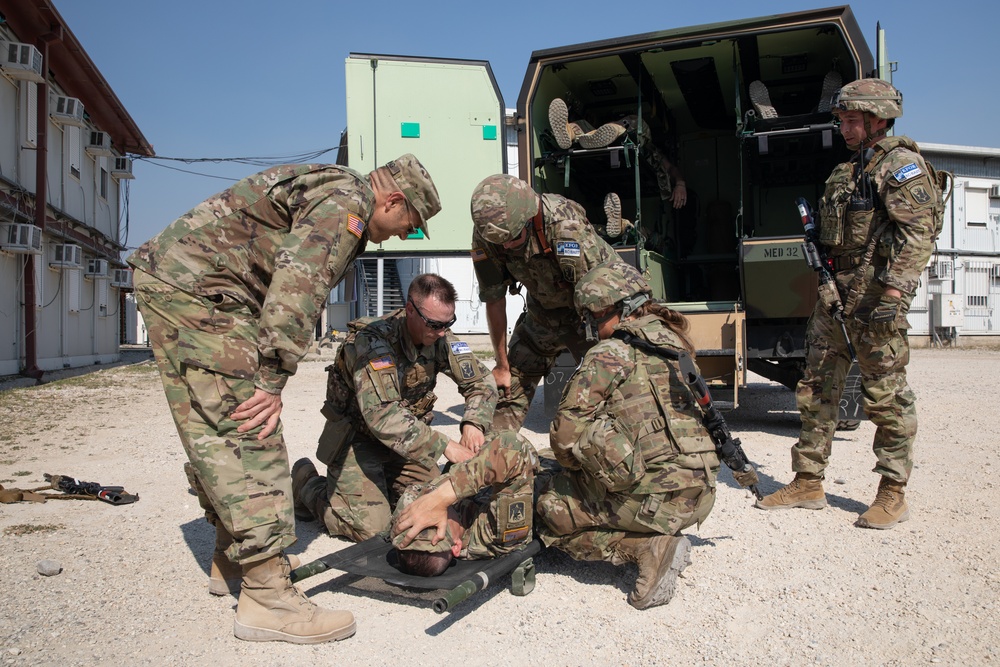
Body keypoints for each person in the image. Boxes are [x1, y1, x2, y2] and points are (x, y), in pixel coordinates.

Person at [129, 154, 441, 644]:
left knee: (217, 430)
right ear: (394, 200)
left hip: (189, 287)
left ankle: (235, 561)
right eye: (411, 225)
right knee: (249, 429)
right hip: (204, 294)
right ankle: (268, 597)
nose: (406, 235)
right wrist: (272, 377)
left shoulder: (336, 190)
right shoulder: (347, 200)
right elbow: (300, 283)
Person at [754, 79, 946, 529]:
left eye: (852, 120)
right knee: (816, 388)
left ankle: (892, 492)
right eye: (841, 119)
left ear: (880, 119)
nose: (843, 127)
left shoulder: (901, 166)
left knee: (885, 397)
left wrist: (895, 294)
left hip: (876, 299)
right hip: (834, 297)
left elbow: (918, 235)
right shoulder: (847, 171)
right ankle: (808, 481)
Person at [534, 263, 720, 610]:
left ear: (612, 310)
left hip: (656, 498)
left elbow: (563, 436)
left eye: (592, 319)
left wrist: (575, 470)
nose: (592, 330)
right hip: (701, 492)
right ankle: (652, 532)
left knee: (548, 507)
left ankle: (645, 549)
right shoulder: (676, 343)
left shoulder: (611, 353)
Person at [292, 273, 497, 543]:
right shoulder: (372, 343)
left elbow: (482, 380)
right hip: (358, 441)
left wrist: (473, 423)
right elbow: (383, 415)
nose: (442, 332)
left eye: (449, 323)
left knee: (438, 505)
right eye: (435, 324)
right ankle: (307, 484)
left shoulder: (440, 336)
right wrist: (446, 446)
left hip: (407, 446)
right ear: (410, 309)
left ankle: (379, 489)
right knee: (370, 530)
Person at [470, 174, 620, 432]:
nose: (505, 245)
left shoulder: (564, 225)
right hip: (542, 315)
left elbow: (604, 299)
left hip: (591, 312)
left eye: (513, 238)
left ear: (529, 219)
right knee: (505, 396)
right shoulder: (490, 232)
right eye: (500, 241)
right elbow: (494, 299)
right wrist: (502, 365)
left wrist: (611, 360)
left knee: (611, 393)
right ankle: (495, 456)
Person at [389, 431, 538, 576]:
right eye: (434, 523)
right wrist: (443, 495)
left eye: (416, 521)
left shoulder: (414, 511)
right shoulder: (494, 536)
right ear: (456, 546)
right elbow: (512, 444)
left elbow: (416, 495)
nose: (427, 512)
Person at [548, 97, 689, 210]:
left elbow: (671, 169)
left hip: (620, 140)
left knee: (636, 123)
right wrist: (680, 183)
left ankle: (574, 132)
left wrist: (680, 183)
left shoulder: (653, 152)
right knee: (595, 131)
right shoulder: (653, 151)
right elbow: (671, 168)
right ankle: (572, 132)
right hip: (605, 141)